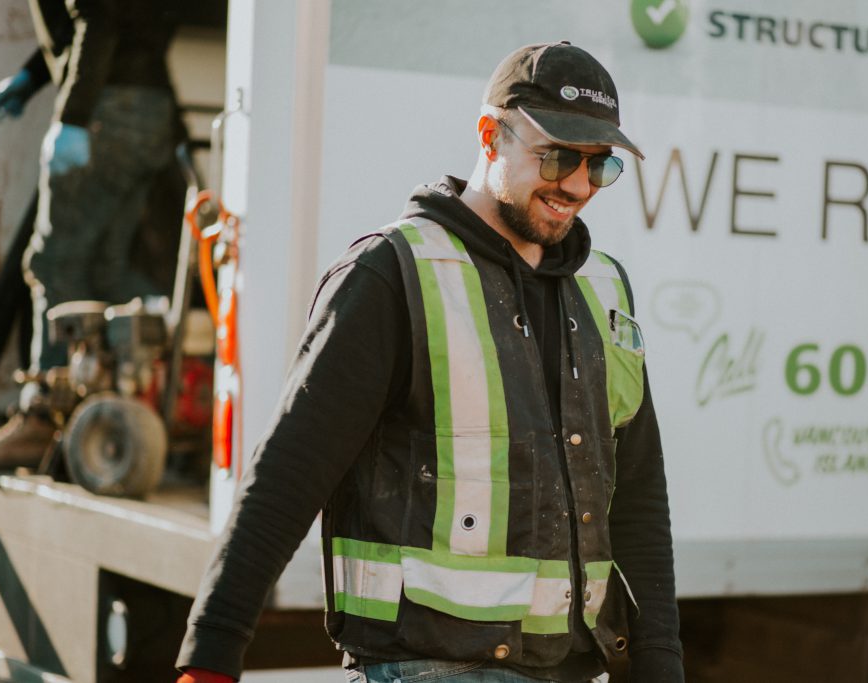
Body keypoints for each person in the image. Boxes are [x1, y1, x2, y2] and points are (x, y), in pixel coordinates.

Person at [176, 42, 684, 683]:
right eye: (556, 157)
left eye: (600, 165)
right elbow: (287, 475)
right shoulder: (392, 274)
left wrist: (660, 661)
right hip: (425, 669)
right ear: (490, 135)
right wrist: (211, 657)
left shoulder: (603, 288)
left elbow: (636, 493)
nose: (578, 186)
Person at [0, 0, 179, 468]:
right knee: (107, 268)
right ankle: (164, 381)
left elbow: (98, 14)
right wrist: (31, 79)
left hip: (106, 108)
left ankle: (42, 417)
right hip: (150, 106)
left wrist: (71, 118)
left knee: (53, 263)